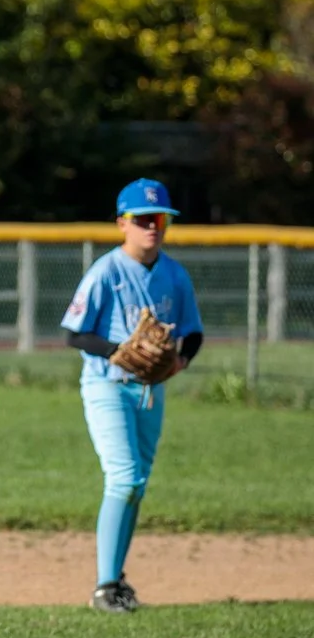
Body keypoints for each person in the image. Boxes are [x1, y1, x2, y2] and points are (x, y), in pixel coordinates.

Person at [60, 178, 203, 613]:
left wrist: (179, 363)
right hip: (106, 386)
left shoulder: (174, 274)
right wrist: (116, 352)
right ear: (122, 223)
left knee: (136, 486)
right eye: (142, 219)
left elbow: (193, 332)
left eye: (160, 219)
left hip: (150, 393)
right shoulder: (106, 271)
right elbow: (73, 334)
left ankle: (117, 579)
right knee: (123, 478)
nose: (152, 227)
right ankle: (105, 586)